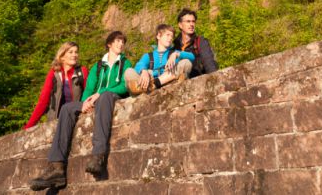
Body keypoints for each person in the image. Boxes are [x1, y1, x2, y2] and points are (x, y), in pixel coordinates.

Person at [29, 31, 132, 191]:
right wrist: (84, 103)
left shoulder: (125, 63)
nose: (121, 44)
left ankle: (98, 156)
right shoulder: (97, 66)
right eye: (118, 41)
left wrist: (100, 92)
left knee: (104, 95)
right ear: (109, 44)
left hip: (111, 97)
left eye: (123, 42)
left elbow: (125, 85)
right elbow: (89, 88)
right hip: (95, 99)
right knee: (67, 108)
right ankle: (57, 168)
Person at [23, 42, 89, 130]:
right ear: (62, 56)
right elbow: (43, 101)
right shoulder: (53, 74)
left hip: (76, 118)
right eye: (70, 52)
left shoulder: (82, 71)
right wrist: (29, 126)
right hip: (55, 121)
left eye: (76, 52)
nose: (74, 55)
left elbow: (88, 94)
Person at [125, 24, 194, 95]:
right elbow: (140, 64)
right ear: (158, 36)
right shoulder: (148, 56)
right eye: (167, 35)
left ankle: (153, 85)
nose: (170, 38)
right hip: (151, 79)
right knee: (128, 71)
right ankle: (143, 87)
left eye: (172, 36)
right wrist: (144, 71)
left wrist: (176, 54)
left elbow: (192, 57)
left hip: (167, 77)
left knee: (186, 62)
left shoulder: (174, 53)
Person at [171, 8, 217, 78]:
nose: (191, 24)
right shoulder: (174, 46)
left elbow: (209, 63)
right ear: (180, 25)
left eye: (193, 21)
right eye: (188, 21)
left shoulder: (200, 42)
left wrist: (215, 79)